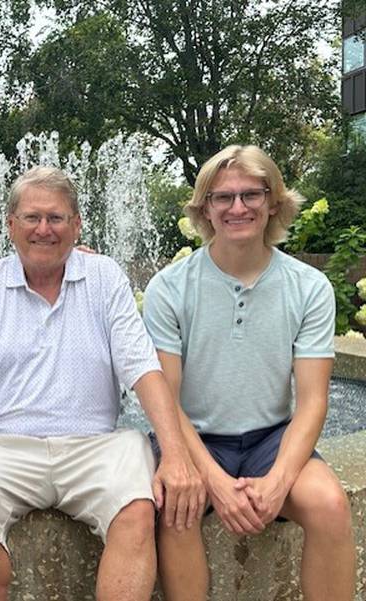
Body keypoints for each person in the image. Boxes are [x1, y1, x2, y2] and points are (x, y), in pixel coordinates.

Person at [0, 166, 204, 601]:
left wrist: (176, 455)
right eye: (32, 217)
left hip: (95, 445)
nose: (43, 229)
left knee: (136, 499)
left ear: (76, 224)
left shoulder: (104, 278)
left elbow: (143, 369)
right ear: (11, 225)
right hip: (0, 445)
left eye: (56, 218)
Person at [143, 145, 356, 601]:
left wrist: (278, 481)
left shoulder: (309, 288)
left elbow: (314, 401)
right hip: (192, 438)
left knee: (330, 505)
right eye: (223, 197)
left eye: (251, 195)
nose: (237, 207)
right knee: (177, 508)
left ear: (273, 202)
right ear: (205, 208)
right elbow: (166, 400)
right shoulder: (169, 289)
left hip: (270, 440)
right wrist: (214, 482)